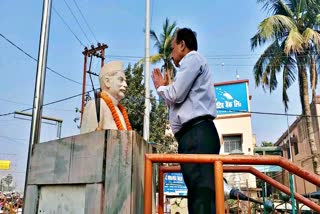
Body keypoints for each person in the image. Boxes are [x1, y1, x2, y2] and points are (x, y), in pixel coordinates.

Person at [151, 28, 220, 214]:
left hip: (197, 134)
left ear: (182, 45)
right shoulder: (189, 66)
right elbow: (174, 100)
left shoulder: (192, 58)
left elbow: (175, 94)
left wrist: (160, 87)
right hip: (192, 136)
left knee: (201, 196)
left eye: (173, 47)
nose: (172, 53)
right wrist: (166, 89)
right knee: (199, 193)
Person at [80, 61, 132, 133]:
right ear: (107, 81)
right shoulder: (96, 105)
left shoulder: (121, 111)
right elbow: (87, 140)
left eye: (125, 81)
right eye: (121, 80)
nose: (125, 85)